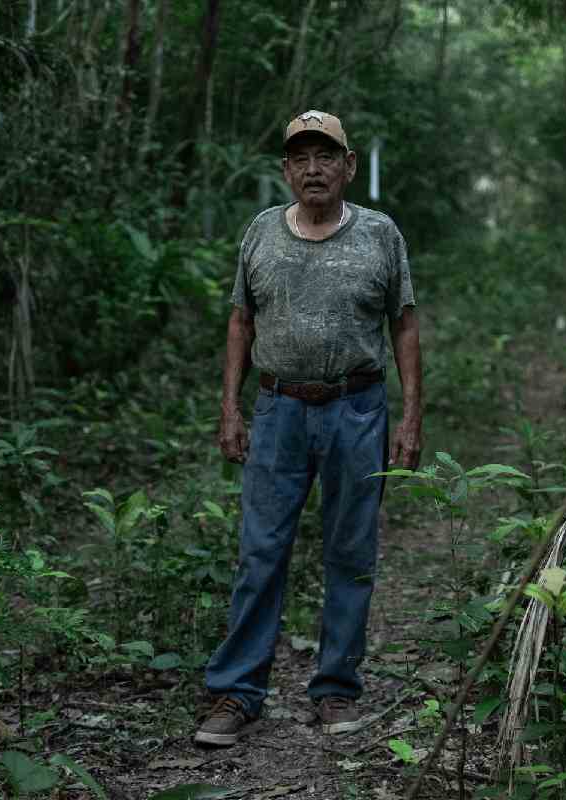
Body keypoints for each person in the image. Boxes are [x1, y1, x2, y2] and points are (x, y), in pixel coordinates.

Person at [194, 110, 423, 747]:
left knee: (350, 553)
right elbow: (241, 321)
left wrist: (410, 417)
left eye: (327, 156)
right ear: (285, 170)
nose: (313, 169)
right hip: (278, 411)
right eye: (301, 158)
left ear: (349, 167)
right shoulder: (261, 233)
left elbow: (403, 325)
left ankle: (336, 690)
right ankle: (238, 693)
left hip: (357, 407)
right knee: (260, 552)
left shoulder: (379, 234)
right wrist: (231, 408)